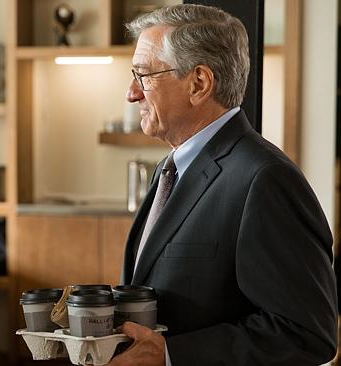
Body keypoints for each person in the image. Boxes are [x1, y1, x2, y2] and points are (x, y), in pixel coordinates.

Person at [110, 4, 337, 366]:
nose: (131, 94)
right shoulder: (170, 170)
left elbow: (306, 334)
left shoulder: (265, 179)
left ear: (199, 83)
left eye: (143, 75)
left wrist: (169, 355)